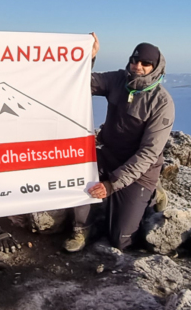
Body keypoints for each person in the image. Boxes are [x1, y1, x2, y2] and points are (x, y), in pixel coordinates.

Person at [63, 36, 175, 253]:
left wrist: (111, 185)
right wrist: (90, 57)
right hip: (109, 155)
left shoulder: (162, 102)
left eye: (145, 63)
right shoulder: (119, 79)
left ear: (155, 67)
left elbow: (148, 154)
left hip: (141, 171)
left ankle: (152, 195)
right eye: (134, 60)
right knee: (79, 171)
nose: (138, 66)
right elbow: (82, 83)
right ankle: (82, 228)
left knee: (121, 240)